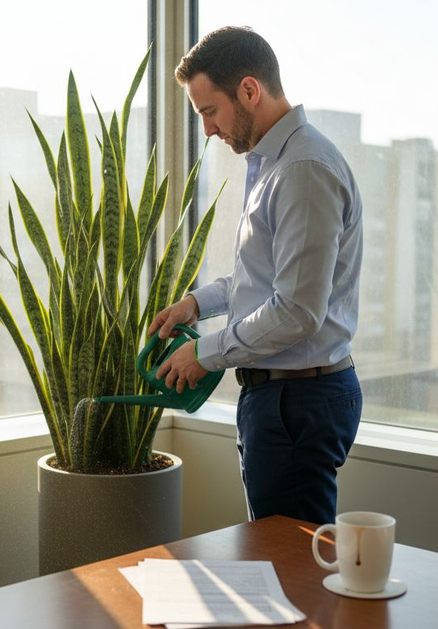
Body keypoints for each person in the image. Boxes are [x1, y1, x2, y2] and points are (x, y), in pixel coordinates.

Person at [149, 26, 364, 525]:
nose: (206, 130)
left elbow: (295, 311)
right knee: (283, 563)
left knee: (292, 574)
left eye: (209, 111)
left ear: (249, 90)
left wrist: (204, 353)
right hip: (285, 396)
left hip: (298, 399)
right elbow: (263, 281)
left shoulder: (302, 169)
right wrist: (196, 304)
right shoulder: (275, 164)